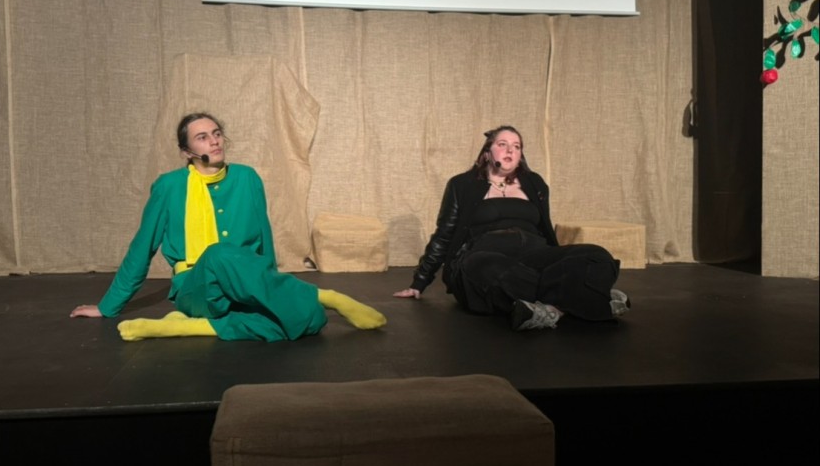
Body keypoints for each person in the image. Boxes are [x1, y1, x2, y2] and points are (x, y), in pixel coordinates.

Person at [71, 112, 386, 341]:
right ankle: (326, 296)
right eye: (202, 137)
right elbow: (142, 248)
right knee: (219, 254)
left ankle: (186, 327)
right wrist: (107, 306)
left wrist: (268, 284)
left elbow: (264, 241)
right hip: (196, 287)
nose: (214, 140)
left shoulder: (247, 178)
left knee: (311, 320)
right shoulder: (169, 186)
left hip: (244, 284)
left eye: (217, 133)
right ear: (186, 152)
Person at [393, 125, 629, 330]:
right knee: (485, 267)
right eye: (502, 144)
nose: (510, 150)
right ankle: (587, 296)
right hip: (485, 253)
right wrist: (419, 282)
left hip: (533, 254)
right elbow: (444, 234)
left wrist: (559, 259)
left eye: (516, 147)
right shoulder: (462, 184)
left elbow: (545, 228)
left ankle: (552, 310)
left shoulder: (534, 183)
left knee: (596, 255)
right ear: (487, 152)